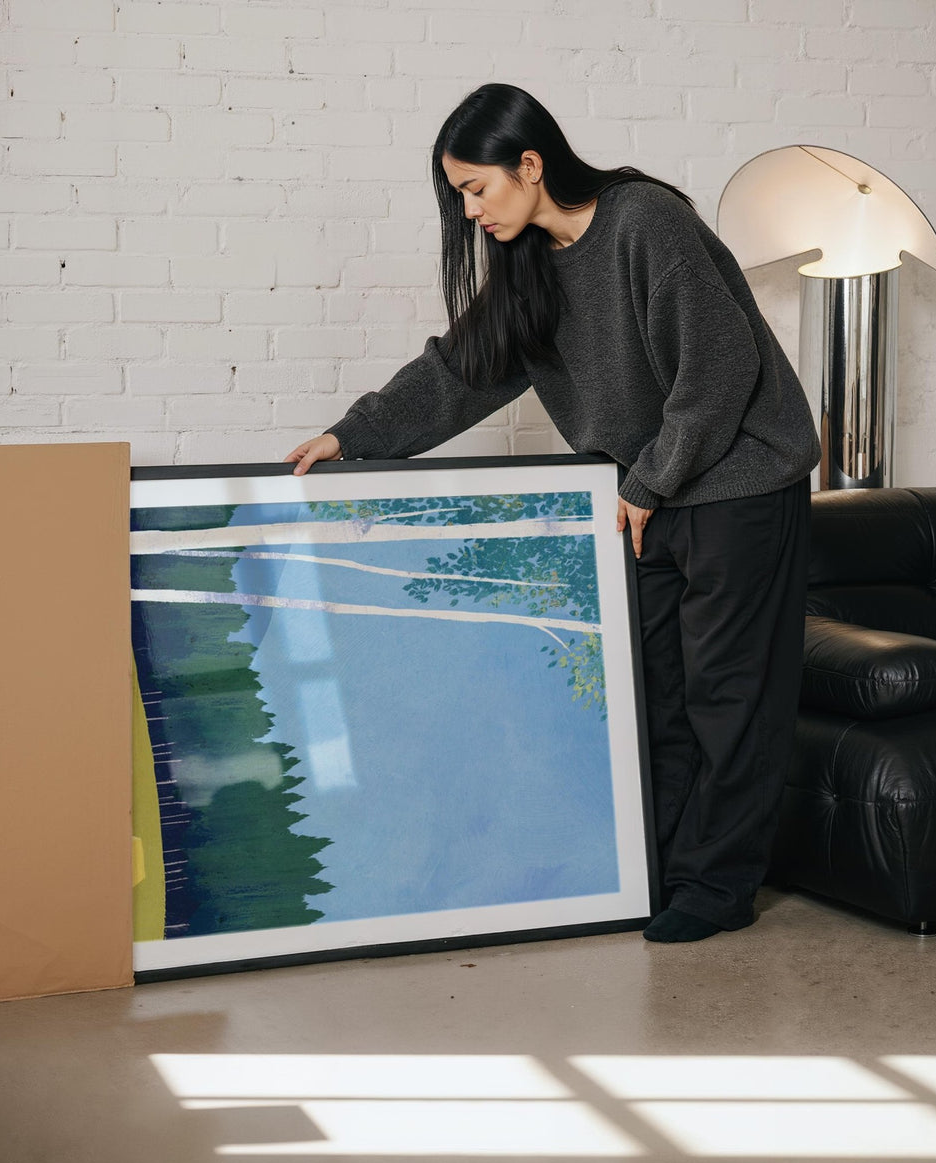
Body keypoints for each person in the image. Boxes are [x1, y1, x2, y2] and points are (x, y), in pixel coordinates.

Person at [285, 83, 821, 943]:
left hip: (739, 480)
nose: (470, 212)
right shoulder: (529, 263)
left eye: (477, 188)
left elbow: (719, 368)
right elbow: (461, 370)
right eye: (460, 195)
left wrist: (648, 481)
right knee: (656, 694)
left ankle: (717, 887)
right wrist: (355, 435)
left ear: (530, 165)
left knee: (731, 696)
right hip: (649, 495)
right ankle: (661, 871)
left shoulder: (644, 222)